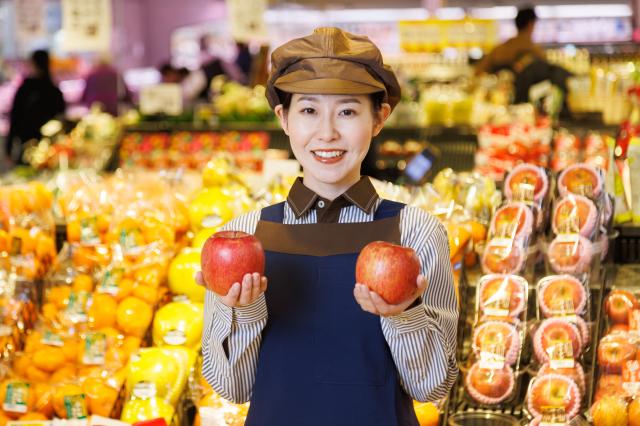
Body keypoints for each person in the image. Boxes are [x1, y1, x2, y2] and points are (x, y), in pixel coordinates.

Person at [199, 27, 458, 426]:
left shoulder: (417, 232)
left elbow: (434, 388)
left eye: (348, 111)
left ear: (379, 118)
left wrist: (402, 315)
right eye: (308, 110)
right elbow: (231, 388)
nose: (327, 132)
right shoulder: (245, 234)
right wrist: (245, 310)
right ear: (283, 119)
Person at [475, 7, 571, 105]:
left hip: (498, 106)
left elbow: (478, 72)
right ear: (531, 24)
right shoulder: (535, 51)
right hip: (528, 109)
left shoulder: (498, 50)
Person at [6, 50, 65, 164]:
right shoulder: (53, 90)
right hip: (50, 147)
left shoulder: (26, 88)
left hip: (29, 144)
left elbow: (15, 116)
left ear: (33, 63)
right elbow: (61, 117)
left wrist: (9, 147)